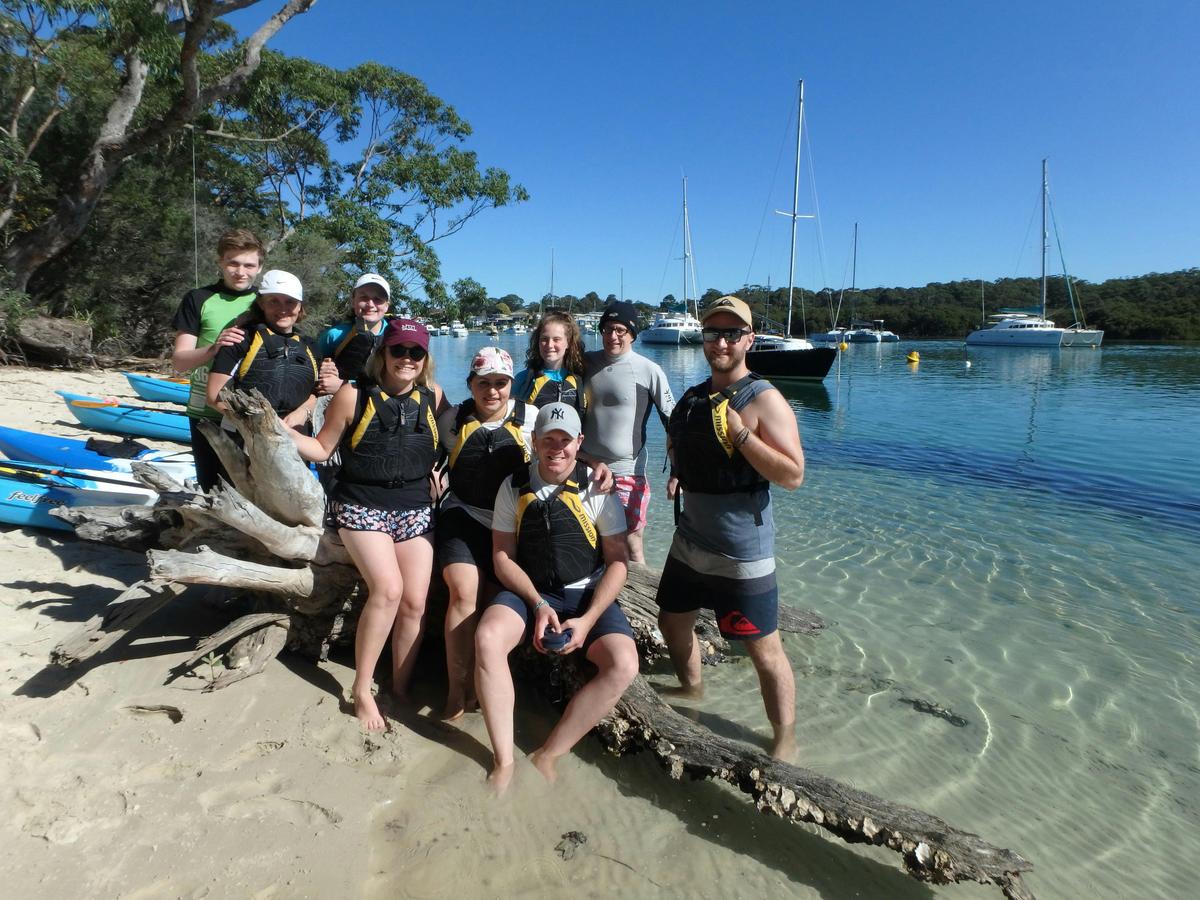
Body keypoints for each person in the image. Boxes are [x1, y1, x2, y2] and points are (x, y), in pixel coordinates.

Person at [654, 295, 805, 760]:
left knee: (763, 651)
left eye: (731, 333)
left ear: (749, 340)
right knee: (671, 621)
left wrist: (742, 435)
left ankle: (784, 742)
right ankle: (693, 692)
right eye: (712, 332)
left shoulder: (764, 399)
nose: (720, 341)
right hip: (690, 539)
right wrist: (680, 473)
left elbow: (793, 475)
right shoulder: (696, 395)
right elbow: (685, 444)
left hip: (742, 548)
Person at [286, 318, 443, 730]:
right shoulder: (353, 394)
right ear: (383, 353)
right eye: (399, 350)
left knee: (415, 602)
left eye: (416, 352)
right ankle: (361, 688)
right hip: (362, 506)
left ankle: (401, 685)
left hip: (414, 509)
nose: (407, 359)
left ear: (425, 358)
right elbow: (322, 449)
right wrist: (277, 430)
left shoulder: (434, 397)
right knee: (388, 590)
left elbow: (455, 439)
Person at [476, 402, 637, 790]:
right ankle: (503, 760)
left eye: (565, 441)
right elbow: (502, 557)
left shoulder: (596, 487)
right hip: (531, 591)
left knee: (624, 664)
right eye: (548, 439)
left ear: (579, 443)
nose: (557, 449)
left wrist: (587, 619)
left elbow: (618, 561)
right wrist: (538, 603)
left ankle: (549, 753)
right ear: (535, 440)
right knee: (487, 638)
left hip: (585, 595)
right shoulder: (514, 486)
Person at [436, 347, 537, 720]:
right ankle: (455, 690)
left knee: (495, 603)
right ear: (470, 384)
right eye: (484, 383)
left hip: (511, 528)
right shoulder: (453, 420)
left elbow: (564, 457)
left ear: (511, 384)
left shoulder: (532, 419)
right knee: (464, 594)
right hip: (463, 514)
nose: (492, 391)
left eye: (500, 383)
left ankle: (485, 681)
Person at [581, 300, 676, 563]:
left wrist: (678, 473)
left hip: (627, 473)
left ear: (632, 333)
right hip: (585, 465)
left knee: (632, 543)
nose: (613, 336)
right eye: (608, 329)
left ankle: (640, 600)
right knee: (587, 541)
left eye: (620, 330)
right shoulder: (586, 363)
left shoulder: (649, 370)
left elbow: (674, 423)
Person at [170, 228, 264, 490]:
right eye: (233, 263)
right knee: (213, 489)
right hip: (206, 412)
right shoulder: (198, 298)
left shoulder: (267, 303)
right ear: (220, 262)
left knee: (252, 489)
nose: (240, 271)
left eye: (248, 265)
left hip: (250, 412)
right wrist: (214, 348)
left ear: (259, 267)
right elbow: (179, 362)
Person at [206, 269, 318, 431]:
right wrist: (256, 424)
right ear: (261, 303)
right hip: (247, 438)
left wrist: (303, 411)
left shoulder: (310, 346)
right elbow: (213, 397)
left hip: (297, 440)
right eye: (274, 301)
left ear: (300, 306)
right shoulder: (240, 340)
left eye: (290, 302)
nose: (282, 309)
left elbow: (317, 393)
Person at [316, 273, 392, 395]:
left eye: (378, 299)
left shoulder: (396, 336)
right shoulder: (333, 335)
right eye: (364, 297)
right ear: (353, 301)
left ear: (387, 305)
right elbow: (313, 370)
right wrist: (323, 371)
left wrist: (343, 385)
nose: (370, 304)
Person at [512, 311, 587, 414]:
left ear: (568, 343)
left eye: (556, 339)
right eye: (544, 339)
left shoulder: (580, 380)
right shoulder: (523, 380)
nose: (549, 345)